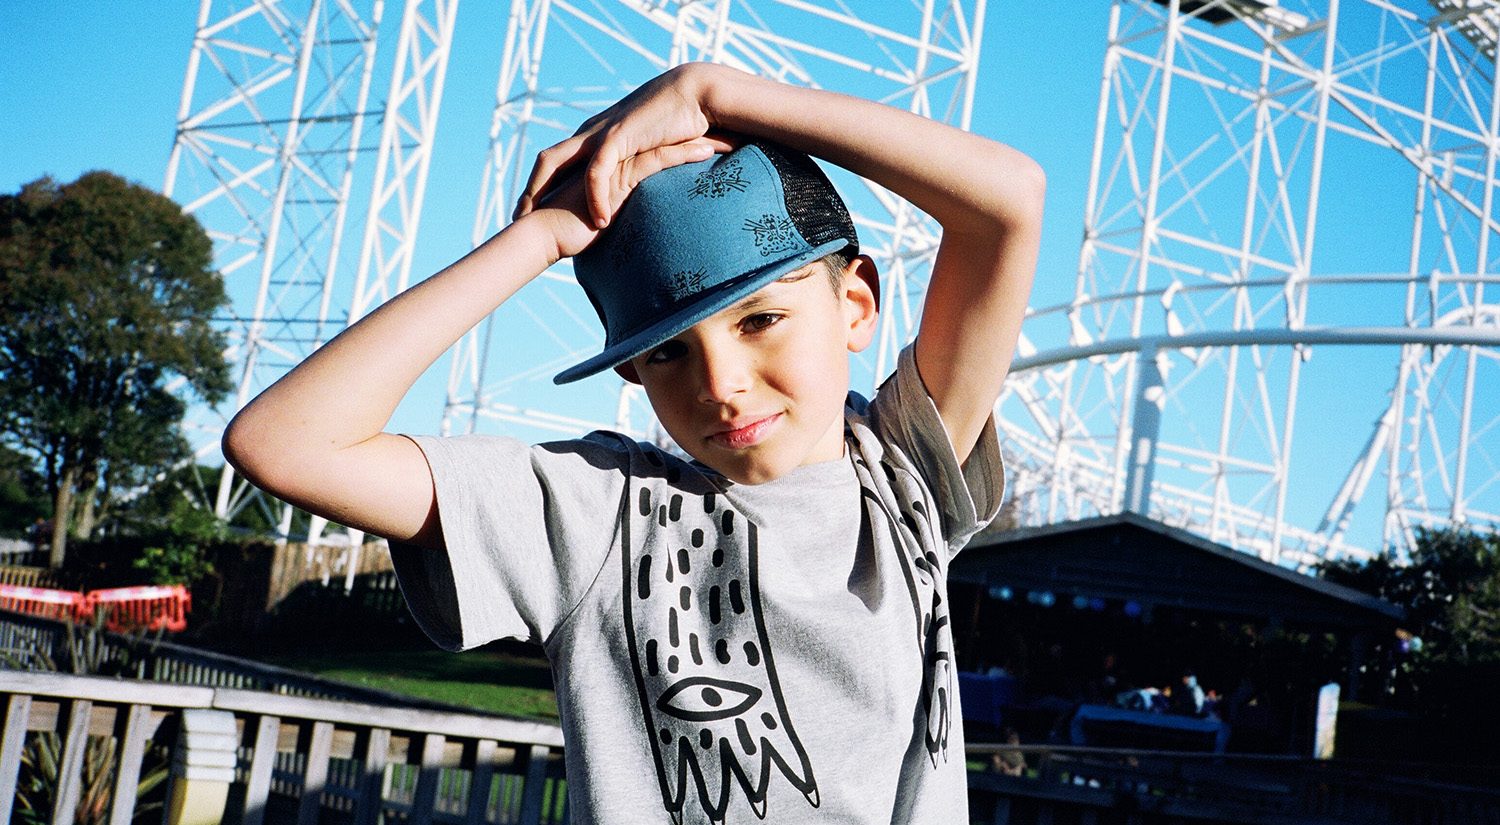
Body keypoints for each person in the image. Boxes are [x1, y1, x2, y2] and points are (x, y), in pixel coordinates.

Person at [223, 62, 1043, 824]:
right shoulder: (599, 514)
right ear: (634, 375)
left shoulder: (906, 479)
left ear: (857, 303)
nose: (719, 383)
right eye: (666, 350)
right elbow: (285, 443)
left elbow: (1010, 197)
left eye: (761, 319)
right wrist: (545, 235)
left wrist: (711, 90)